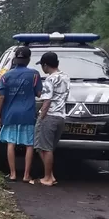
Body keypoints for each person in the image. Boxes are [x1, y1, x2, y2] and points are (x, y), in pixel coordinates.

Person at [0, 46, 43, 183]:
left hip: (10, 114)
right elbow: (39, 94)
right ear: (28, 60)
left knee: (11, 143)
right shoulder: (34, 74)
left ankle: (12, 174)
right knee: (29, 144)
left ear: (15, 60)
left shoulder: (6, 76)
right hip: (28, 114)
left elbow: (1, 97)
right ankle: (26, 175)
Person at [35, 52, 70, 186]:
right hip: (61, 116)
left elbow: (47, 101)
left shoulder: (50, 80)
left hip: (49, 116)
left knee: (45, 148)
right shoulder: (66, 77)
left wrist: (41, 116)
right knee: (47, 148)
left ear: (45, 65)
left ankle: (47, 178)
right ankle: (51, 176)